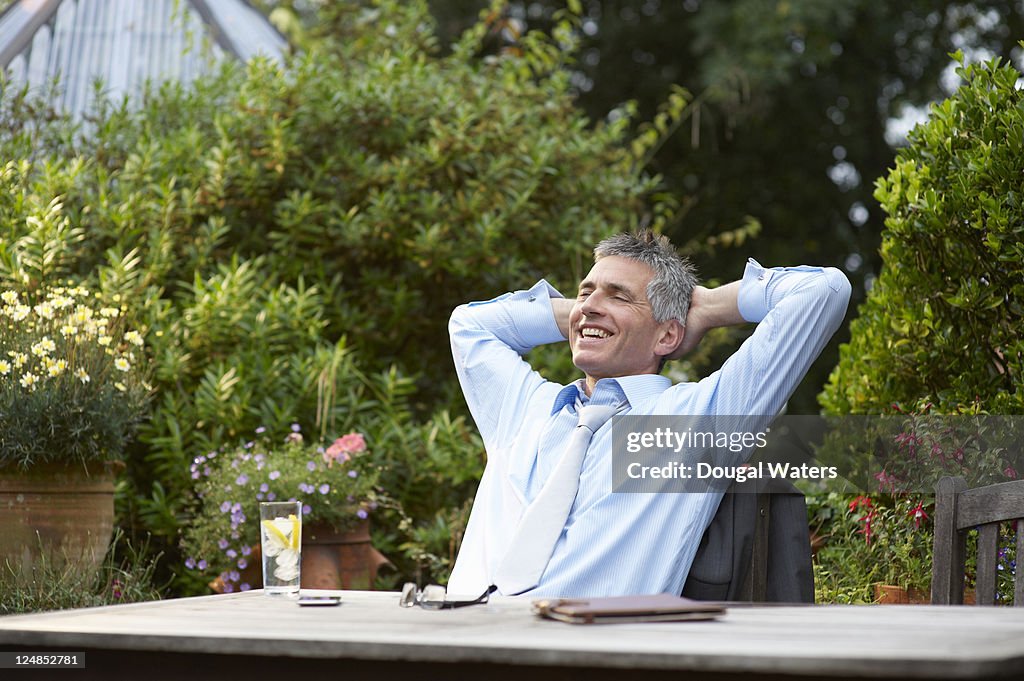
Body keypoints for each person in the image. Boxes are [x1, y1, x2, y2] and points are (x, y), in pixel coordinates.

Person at [446, 230, 850, 597]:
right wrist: (585, 311)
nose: (589, 306)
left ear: (668, 334)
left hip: (579, 659)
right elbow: (469, 325)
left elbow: (823, 291)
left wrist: (707, 306)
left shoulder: (696, 420)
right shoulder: (524, 409)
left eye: (619, 295)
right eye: (585, 291)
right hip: (451, 643)